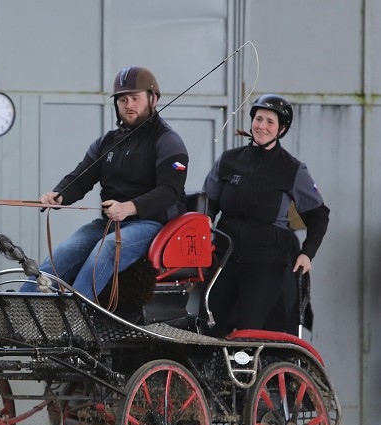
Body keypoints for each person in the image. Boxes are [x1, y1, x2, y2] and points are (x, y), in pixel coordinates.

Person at [22, 66, 189, 302]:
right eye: (122, 99)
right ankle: (17, 309)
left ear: (153, 99)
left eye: (135, 98)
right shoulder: (107, 142)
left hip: (152, 224)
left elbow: (170, 192)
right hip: (108, 222)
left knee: (106, 250)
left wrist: (128, 207)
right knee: (62, 253)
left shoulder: (168, 141)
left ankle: (73, 314)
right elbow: (81, 177)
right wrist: (59, 195)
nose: (129, 104)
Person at [203, 94, 329, 337]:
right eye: (258, 119)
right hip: (224, 258)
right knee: (207, 327)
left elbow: (319, 215)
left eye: (270, 122)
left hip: (265, 263)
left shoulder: (292, 169)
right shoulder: (229, 160)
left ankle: (245, 373)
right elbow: (209, 201)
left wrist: (307, 252)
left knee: (248, 331)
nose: (262, 126)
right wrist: (206, 218)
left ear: (281, 129)